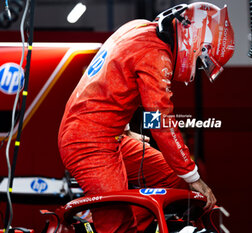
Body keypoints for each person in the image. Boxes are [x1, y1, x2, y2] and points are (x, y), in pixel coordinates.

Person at [58, 2, 234, 233]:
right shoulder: (156, 56)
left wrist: (124, 125)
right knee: (116, 221)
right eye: (201, 59)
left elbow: (114, 77)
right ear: (193, 41)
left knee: (172, 178)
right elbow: (161, 122)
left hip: (109, 134)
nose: (197, 66)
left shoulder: (138, 27)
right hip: (88, 141)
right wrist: (194, 177)